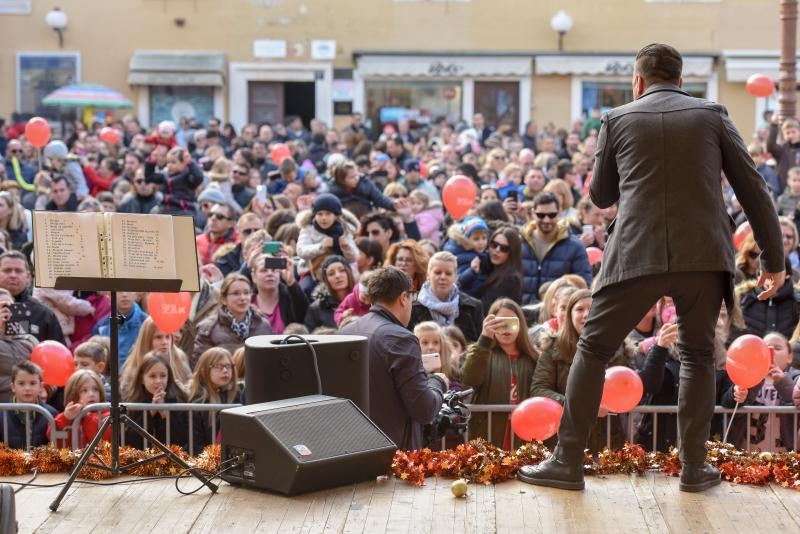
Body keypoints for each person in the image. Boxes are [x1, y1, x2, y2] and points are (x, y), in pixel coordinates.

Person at [518, 43, 784, 494]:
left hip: (634, 254)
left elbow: (601, 197)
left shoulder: (617, 119)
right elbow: (754, 190)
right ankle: (694, 468)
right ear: (681, 81)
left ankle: (567, 462)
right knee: (699, 356)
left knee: (593, 350)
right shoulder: (713, 114)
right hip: (704, 255)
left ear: (637, 82)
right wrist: (774, 261)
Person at [339, 267, 448, 449]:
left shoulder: (343, 333)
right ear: (404, 298)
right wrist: (437, 382)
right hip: (392, 457)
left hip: (349, 451)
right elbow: (425, 409)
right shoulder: (401, 338)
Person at [461, 299, 538, 448]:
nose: (506, 328)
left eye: (511, 322)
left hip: (524, 435)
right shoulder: (481, 353)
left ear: (521, 325)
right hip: (488, 434)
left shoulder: (533, 358)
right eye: (500, 323)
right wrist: (484, 339)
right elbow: (469, 379)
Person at [520, 192, 592, 304]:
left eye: (552, 215)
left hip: (556, 314)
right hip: (523, 310)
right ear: (533, 213)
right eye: (541, 215)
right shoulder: (520, 242)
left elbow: (583, 285)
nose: (546, 220)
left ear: (559, 213)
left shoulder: (575, 246)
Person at [193, 273, 272, 364]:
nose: (242, 298)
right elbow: (201, 366)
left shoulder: (263, 325)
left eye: (246, 293)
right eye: (236, 293)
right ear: (223, 299)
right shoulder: (207, 328)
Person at [408, 251, 484, 342]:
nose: (443, 277)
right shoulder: (411, 308)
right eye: (438, 272)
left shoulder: (474, 307)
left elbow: (478, 346)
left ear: (455, 276)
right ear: (428, 275)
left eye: (448, 273)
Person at [123, 354, 189, 451]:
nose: (158, 381)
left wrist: (164, 414)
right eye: (152, 376)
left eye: (163, 376)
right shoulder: (133, 401)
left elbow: (180, 441)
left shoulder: (179, 400)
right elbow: (129, 440)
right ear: (142, 379)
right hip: (139, 460)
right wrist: (151, 412)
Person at [0, 251, 65, 344]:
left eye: (18, 271)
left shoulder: (43, 313)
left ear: (28, 276)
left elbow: (58, 351)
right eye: (7, 270)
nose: (13, 275)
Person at [188, 347, 243, 454]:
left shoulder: (240, 394)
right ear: (204, 371)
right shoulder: (198, 400)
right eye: (218, 366)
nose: (225, 370)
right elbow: (195, 441)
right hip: (205, 462)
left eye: (228, 366)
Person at [459, 226, 523, 311]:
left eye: (504, 248)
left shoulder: (510, 279)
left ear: (512, 253)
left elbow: (484, 308)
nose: (497, 250)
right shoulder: (485, 265)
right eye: (494, 245)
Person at [296, 193, 360, 273]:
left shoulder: (344, 229)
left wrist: (346, 247)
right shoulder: (308, 228)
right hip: (312, 271)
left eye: (328, 214)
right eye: (319, 214)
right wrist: (321, 247)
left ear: (336, 216)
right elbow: (301, 250)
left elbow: (354, 258)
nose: (324, 218)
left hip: (340, 271)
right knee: (306, 286)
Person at [48, 369, 112, 449]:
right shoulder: (68, 414)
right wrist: (65, 418)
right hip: (72, 460)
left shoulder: (107, 414)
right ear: (73, 394)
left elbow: (100, 439)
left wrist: (87, 416)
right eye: (84, 390)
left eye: (95, 389)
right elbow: (52, 437)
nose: (91, 394)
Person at [1, 361, 57, 449]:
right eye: (21, 383)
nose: (27, 388)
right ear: (13, 387)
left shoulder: (51, 414)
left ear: (41, 386)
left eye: (33, 383)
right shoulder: (1, 414)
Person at [250, 254, 308, 335]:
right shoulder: (248, 302)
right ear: (254, 276)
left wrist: (291, 282)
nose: (270, 273)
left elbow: (304, 314)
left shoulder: (290, 298)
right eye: (264, 270)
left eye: (274, 270)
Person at [304, 255, 355, 331]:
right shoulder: (316, 308)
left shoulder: (362, 300)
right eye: (331, 274)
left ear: (349, 273)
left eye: (342, 270)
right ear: (326, 280)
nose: (337, 276)